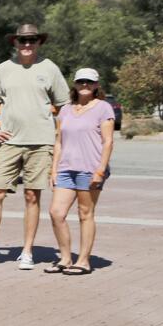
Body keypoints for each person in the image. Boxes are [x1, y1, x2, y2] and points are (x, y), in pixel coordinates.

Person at [0, 22, 69, 271]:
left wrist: (60, 137)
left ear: (39, 42)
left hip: (40, 143)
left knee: (32, 196)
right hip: (9, 142)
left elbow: (64, 105)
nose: (27, 45)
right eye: (23, 40)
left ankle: (27, 252)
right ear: (15, 43)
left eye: (32, 40)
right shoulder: (2, 70)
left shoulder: (49, 69)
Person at [46, 68, 115, 275]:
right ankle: (65, 258)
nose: (84, 85)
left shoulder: (103, 108)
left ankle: (83, 261)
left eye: (89, 82)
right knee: (56, 213)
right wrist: (54, 169)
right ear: (74, 84)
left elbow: (108, 141)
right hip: (66, 168)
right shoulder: (66, 110)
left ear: (96, 86)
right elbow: (59, 141)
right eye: (81, 82)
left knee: (85, 214)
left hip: (90, 168)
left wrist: (100, 171)